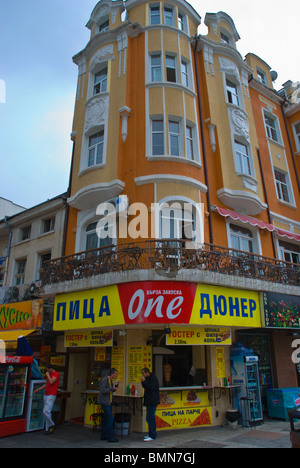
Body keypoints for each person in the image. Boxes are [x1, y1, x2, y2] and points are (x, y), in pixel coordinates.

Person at [34, 365, 60, 435]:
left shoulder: (56, 374)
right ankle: (47, 428)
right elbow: (46, 384)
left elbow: (51, 381)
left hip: (51, 395)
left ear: (51, 369)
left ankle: (52, 424)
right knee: (47, 412)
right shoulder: (50, 374)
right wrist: (38, 389)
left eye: (48, 370)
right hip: (46, 394)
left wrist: (48, 375)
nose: (47, 372)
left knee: (46, 411)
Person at [99, 368, 119, 443]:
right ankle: (110, 437)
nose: (116, 375)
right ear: (112, 374)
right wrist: (111, 388)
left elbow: (111, 390)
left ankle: (103, 435)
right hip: (105, 403)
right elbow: (102, 390)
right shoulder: (105, 380)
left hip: (108, 402)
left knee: (106, 420)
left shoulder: (110, 381)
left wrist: (116, 385)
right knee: (110, 419)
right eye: (115, 374)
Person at [141, 367, 160, 441]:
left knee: (150, 418)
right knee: (149, 418)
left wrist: (144, 382)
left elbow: (151, 387)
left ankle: (152, 435)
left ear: (147, 372)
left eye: (143, 373)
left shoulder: (153, 378)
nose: (142, 375)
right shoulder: (149, 379)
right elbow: (146, 386)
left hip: (152, 401)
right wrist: (143, 382)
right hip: (149, 401)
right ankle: (150, 434)